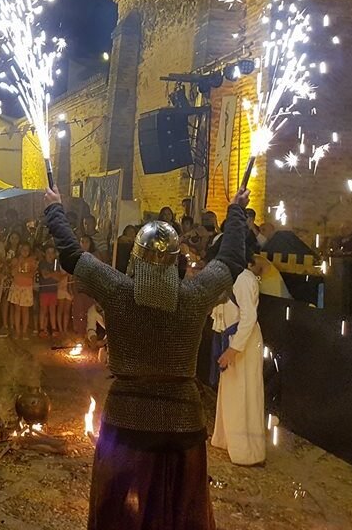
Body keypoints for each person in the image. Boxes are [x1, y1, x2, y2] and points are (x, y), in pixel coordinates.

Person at [43, 183, 251, 530]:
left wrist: (54, 209)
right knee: (178, 511)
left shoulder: (119, 290)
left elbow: (71, 256)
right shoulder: (194, 295)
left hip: (127, 419)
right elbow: (231, 260)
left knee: (118, 511)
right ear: (176, 261)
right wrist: (236, 212)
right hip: (181, 420)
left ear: (135, 257)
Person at [210, 253, 267, 466]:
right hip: (231, 339)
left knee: (244, 393)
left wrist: (233, 349)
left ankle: (247, 451)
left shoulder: (243, 279)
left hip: (244, 343)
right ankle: (227, 439)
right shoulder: (230, 278)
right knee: (231, 392)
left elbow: (248, 317)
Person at [8, 242, 37, 339]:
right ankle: (17, 331)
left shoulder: (32, 261)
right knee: (17, 310)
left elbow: (31, 274)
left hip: (27, 287)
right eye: (23, 249)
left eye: (27, 250)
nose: (25, 252)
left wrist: (20, 274)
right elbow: (12, 273)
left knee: (25, 310)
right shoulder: (15, 260)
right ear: (20, 250)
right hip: (17, 286)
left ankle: (24, 331)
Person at [37, 244, 59, 338]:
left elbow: (58, 277)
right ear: (45, 254)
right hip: (44, 290)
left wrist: (52, 274)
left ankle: (54, 329)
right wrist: (53, 274)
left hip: (53, 290)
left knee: (52, 310)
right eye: (48, 252)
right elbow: (45, 275)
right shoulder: (42, 263)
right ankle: (42, 329)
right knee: (43, 310)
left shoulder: (56, 263)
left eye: (52, 252)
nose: (50, 255)